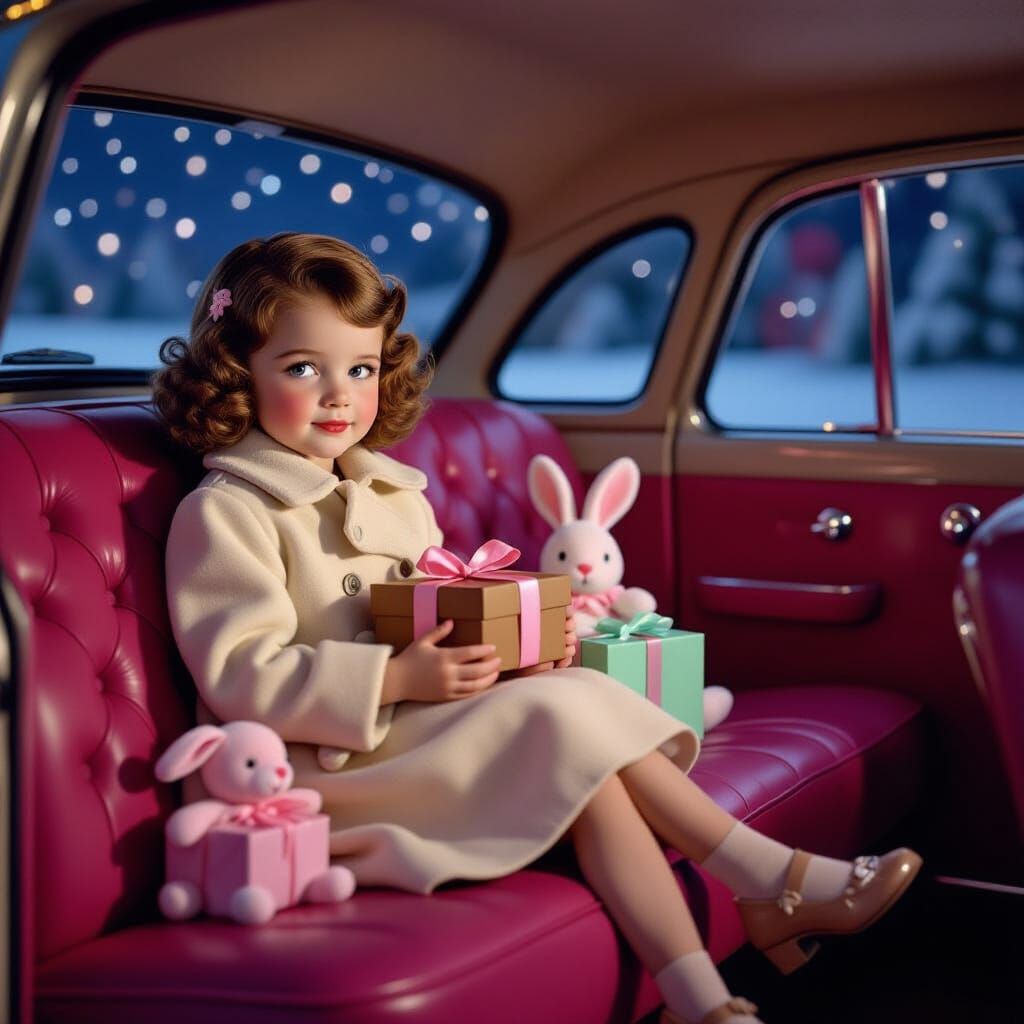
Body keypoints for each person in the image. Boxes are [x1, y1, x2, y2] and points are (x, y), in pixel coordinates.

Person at [153, 232, 921, 1024]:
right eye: (302, 369)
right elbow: (242, 671)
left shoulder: (392, 494)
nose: (340, 396)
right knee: (568, 713)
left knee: (585, 750)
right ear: (238, 370)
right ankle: (773, 877)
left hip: (419, 726)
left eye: (362, 369)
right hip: (329, 764)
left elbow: (435, 602)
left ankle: (703, 998)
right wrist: (396, 678)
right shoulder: (227, 513)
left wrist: (512, 644)